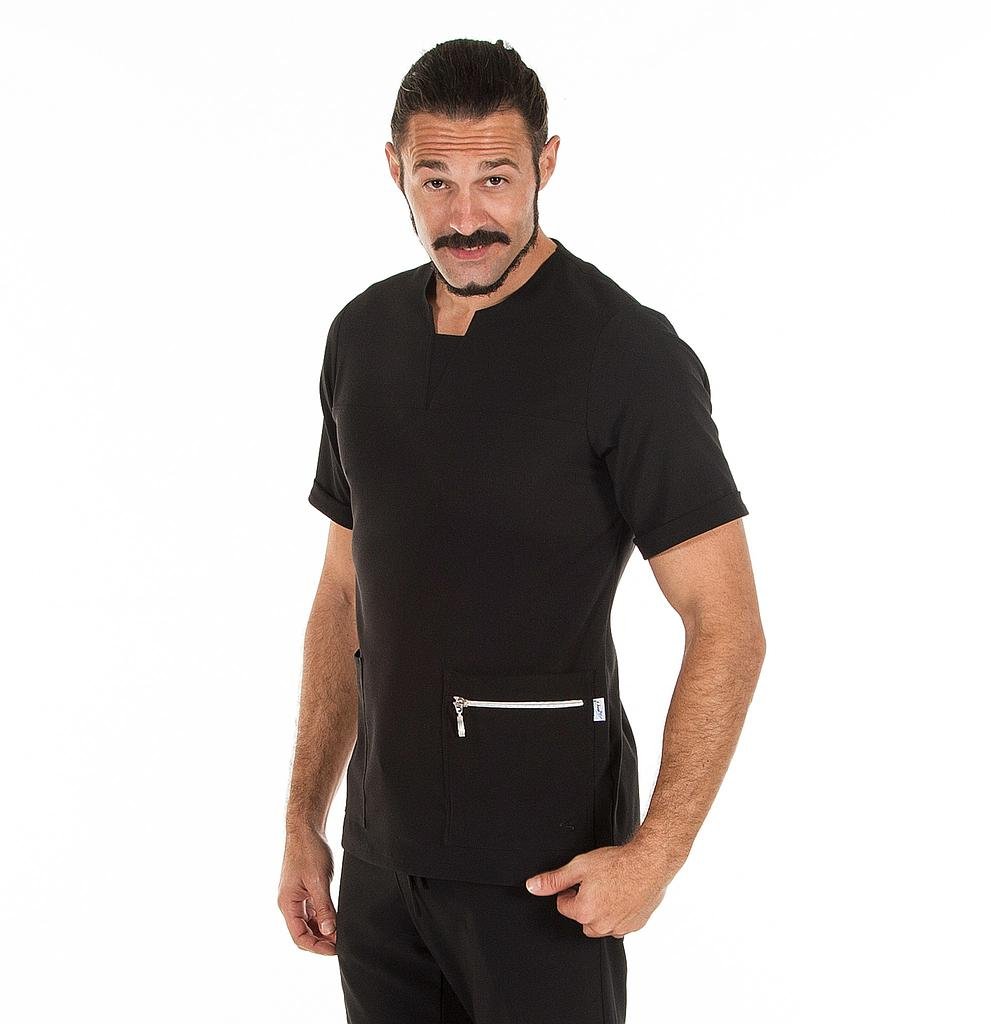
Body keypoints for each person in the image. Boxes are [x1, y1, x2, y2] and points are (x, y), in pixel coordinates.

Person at [278, 37, 765, 1024]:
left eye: (496, 178)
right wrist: (304, 819)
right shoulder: (362, 340)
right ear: (394, 170)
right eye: (436, 181)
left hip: (548, 875)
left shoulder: (623, 356)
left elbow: (727, 624)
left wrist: (656, 855)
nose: (466, 217)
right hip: (380, 868)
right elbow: (342, 593)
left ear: (546, 163)